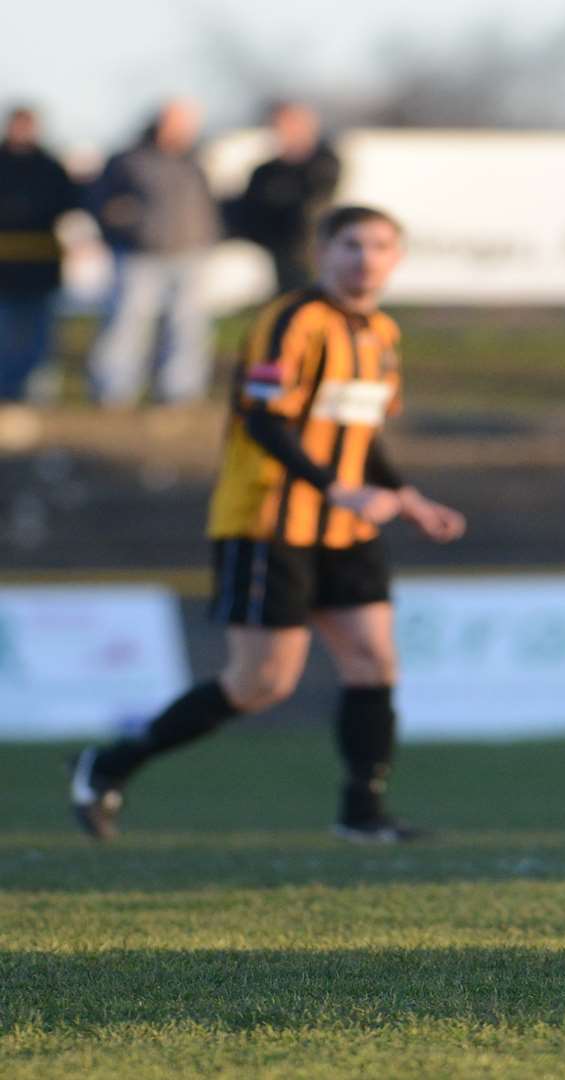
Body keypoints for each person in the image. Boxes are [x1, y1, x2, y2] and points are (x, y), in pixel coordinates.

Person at [68, 205, 466, 843]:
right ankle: (108, 764)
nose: (365, 258)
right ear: (322, 252)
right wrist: (338, 489)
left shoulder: (384, 334)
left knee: (374, 662)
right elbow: (263, 419)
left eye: (380, 246)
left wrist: (409, 498)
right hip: (268, 521)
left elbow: (360, 434)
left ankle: (361, 815)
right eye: (350, 245)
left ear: (398, 259)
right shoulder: (292, 320)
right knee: (261, 683)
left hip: (345, 529)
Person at [85, 99, 220, 406]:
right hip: (139, 253)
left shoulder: (195, 159)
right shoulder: (128, 160)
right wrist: (123, 227)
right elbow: (99, 203)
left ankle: (180, 393)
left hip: (191, 252)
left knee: (188, 326)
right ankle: (113, 391)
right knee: (127, 322)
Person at [0, 105, 80, 402]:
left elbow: (72, 209)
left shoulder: (50, 167)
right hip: (4, 272)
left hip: (41, 269)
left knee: (39, 337)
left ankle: (37, 395)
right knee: (5, 337)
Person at [228, 101, 342, 293]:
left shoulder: (324, 163)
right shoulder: (266, 170)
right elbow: (251, 208)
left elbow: (313, 204)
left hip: (309, 248)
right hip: (279, 247)